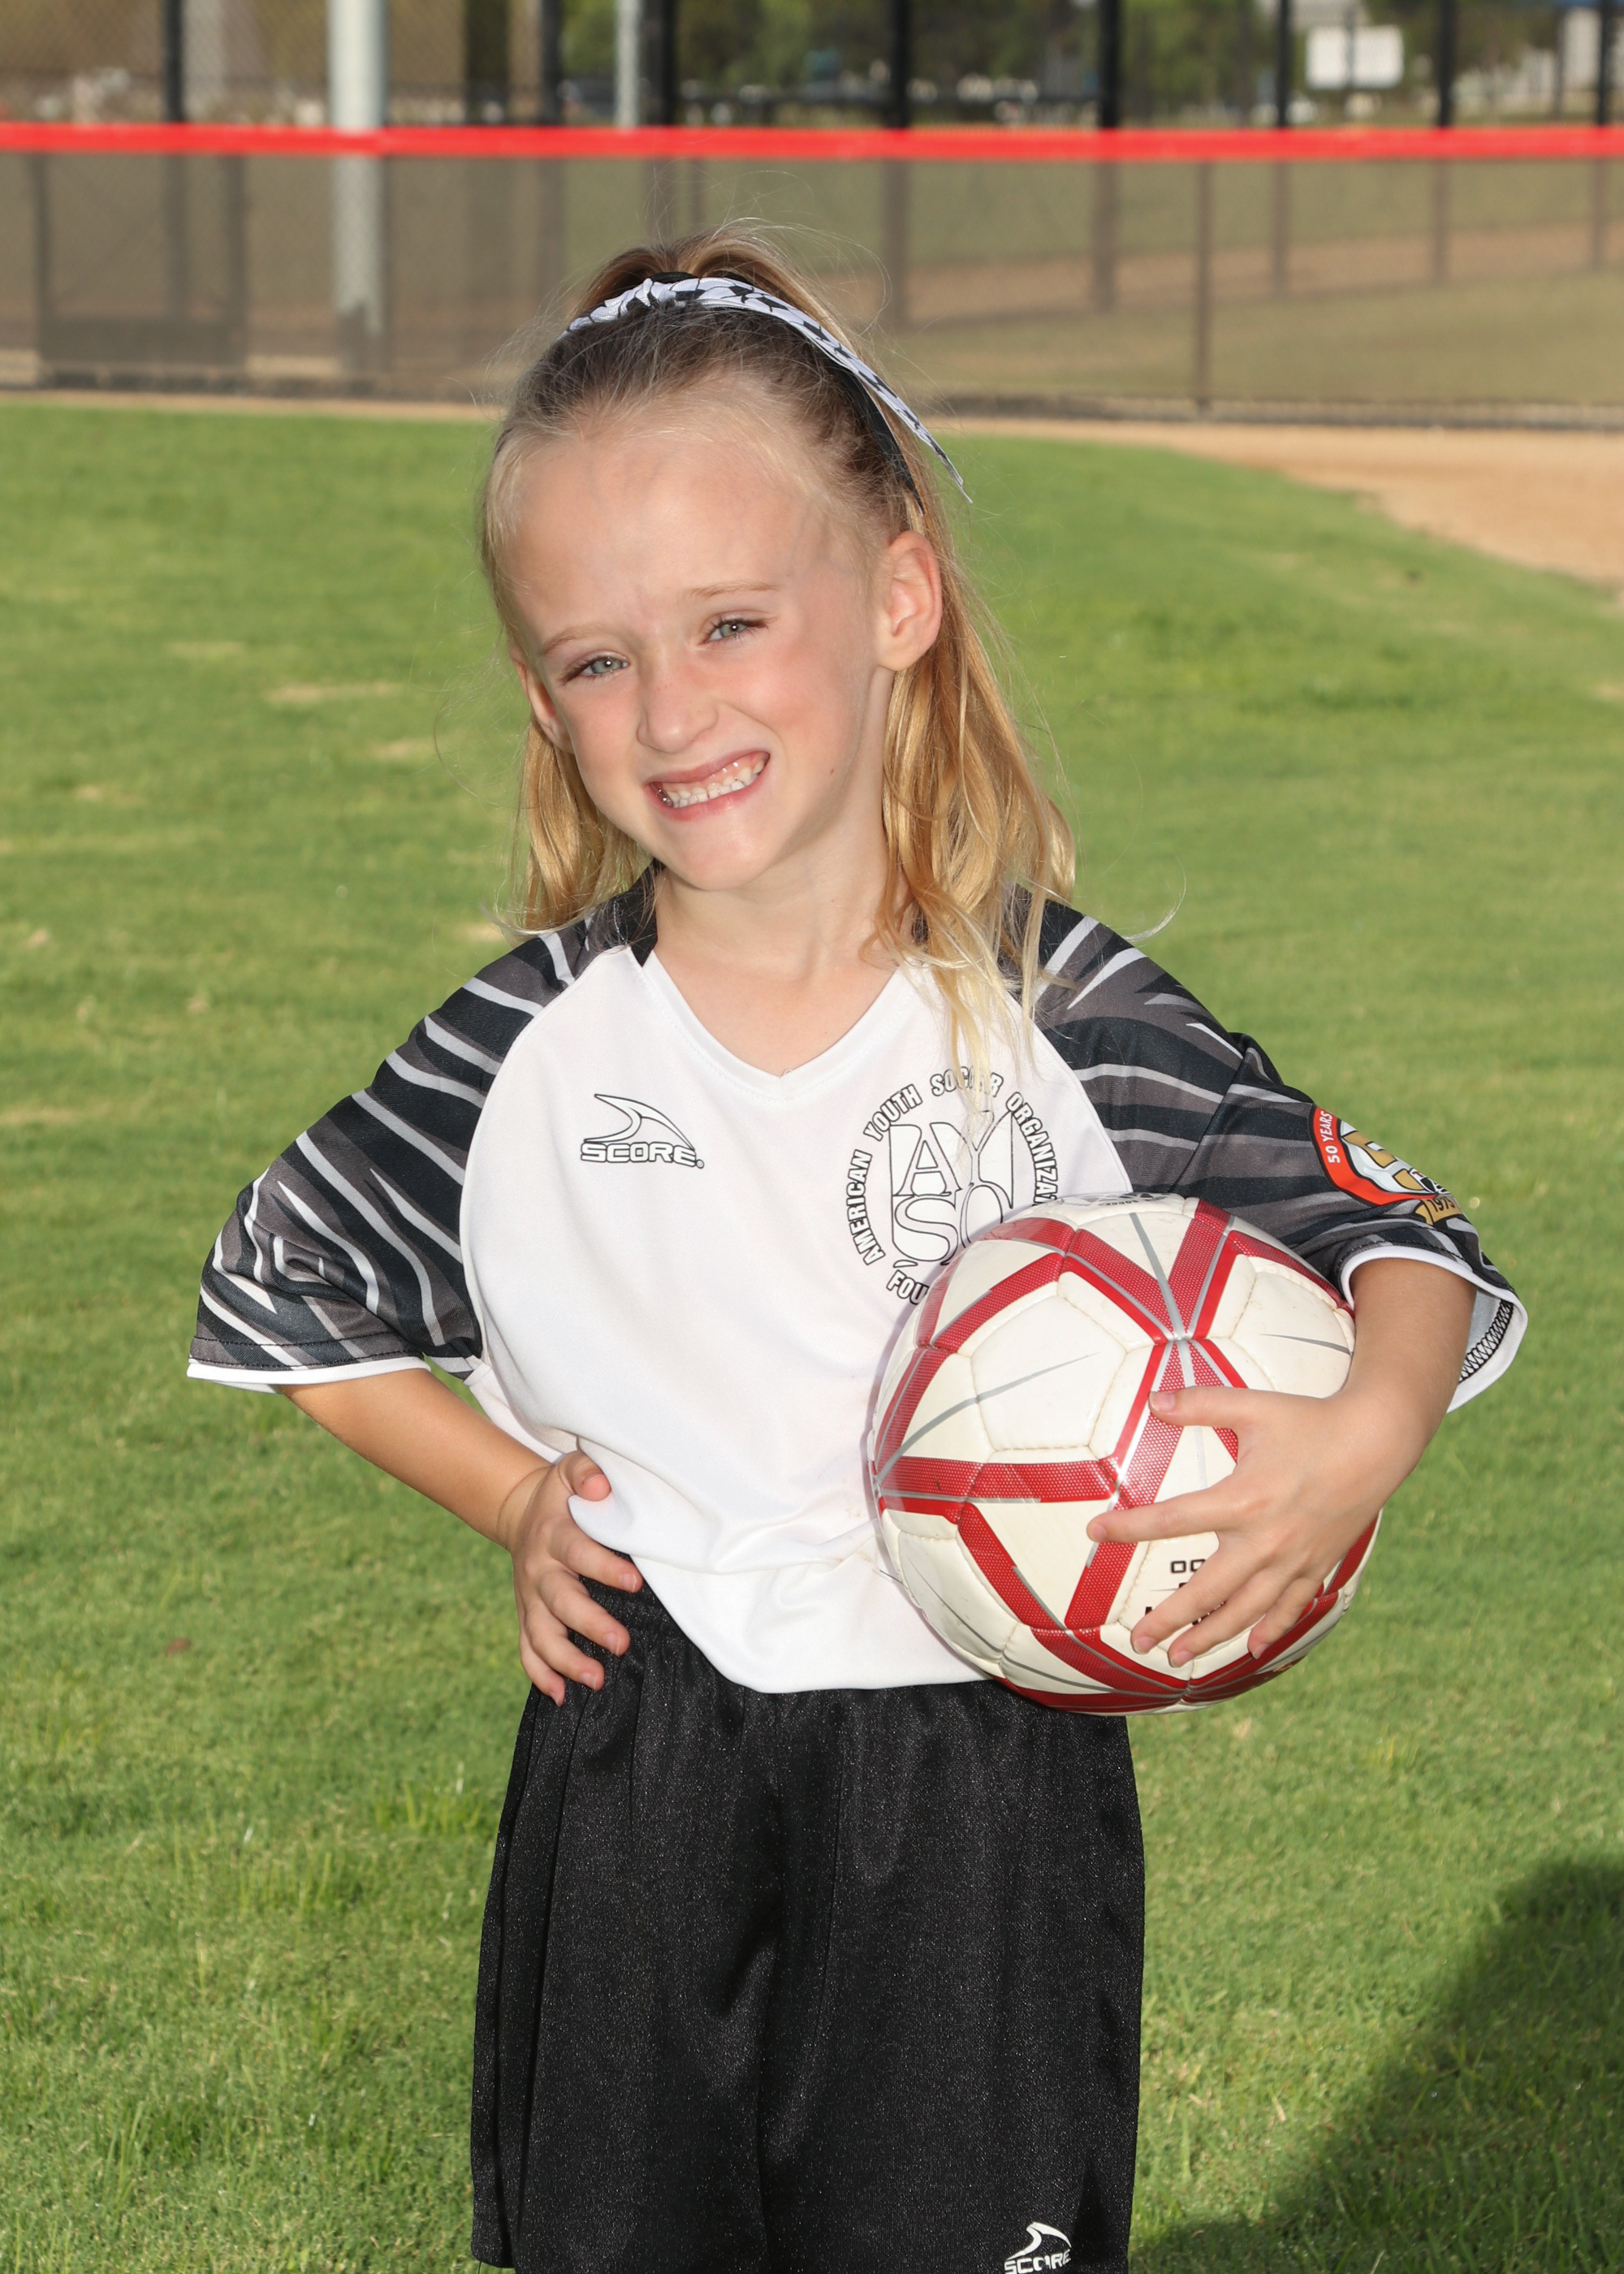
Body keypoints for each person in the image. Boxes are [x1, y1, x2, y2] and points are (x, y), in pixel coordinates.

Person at [188, 232, 1523, 2274]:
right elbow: (282, 1276)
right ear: (543, 698)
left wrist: (1365, 1434)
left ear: (897, 595)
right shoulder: (531, 1040)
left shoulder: (1058, 1009)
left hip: (978, 1777)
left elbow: (1394, 1235)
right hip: (639, 1754)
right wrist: (515, 1495)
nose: (673, 709)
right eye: (596, 660)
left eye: (731, 621)